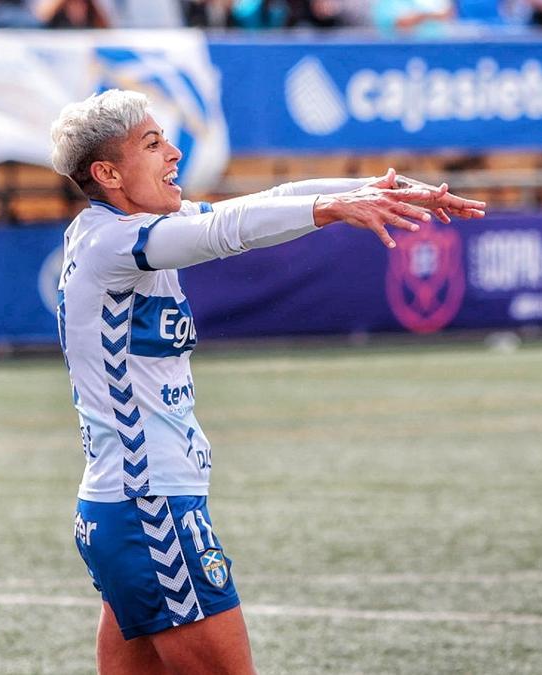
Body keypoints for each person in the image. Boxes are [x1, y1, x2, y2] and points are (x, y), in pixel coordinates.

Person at [49, 89, 486, 673]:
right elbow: (228, 230)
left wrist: (362, 192)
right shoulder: (115, 241)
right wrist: (333, 209)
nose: (174, 153)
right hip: (150, 512)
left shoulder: (124, 228)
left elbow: (263, 202)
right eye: (153, 144)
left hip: (127, 512)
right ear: (107, 172)